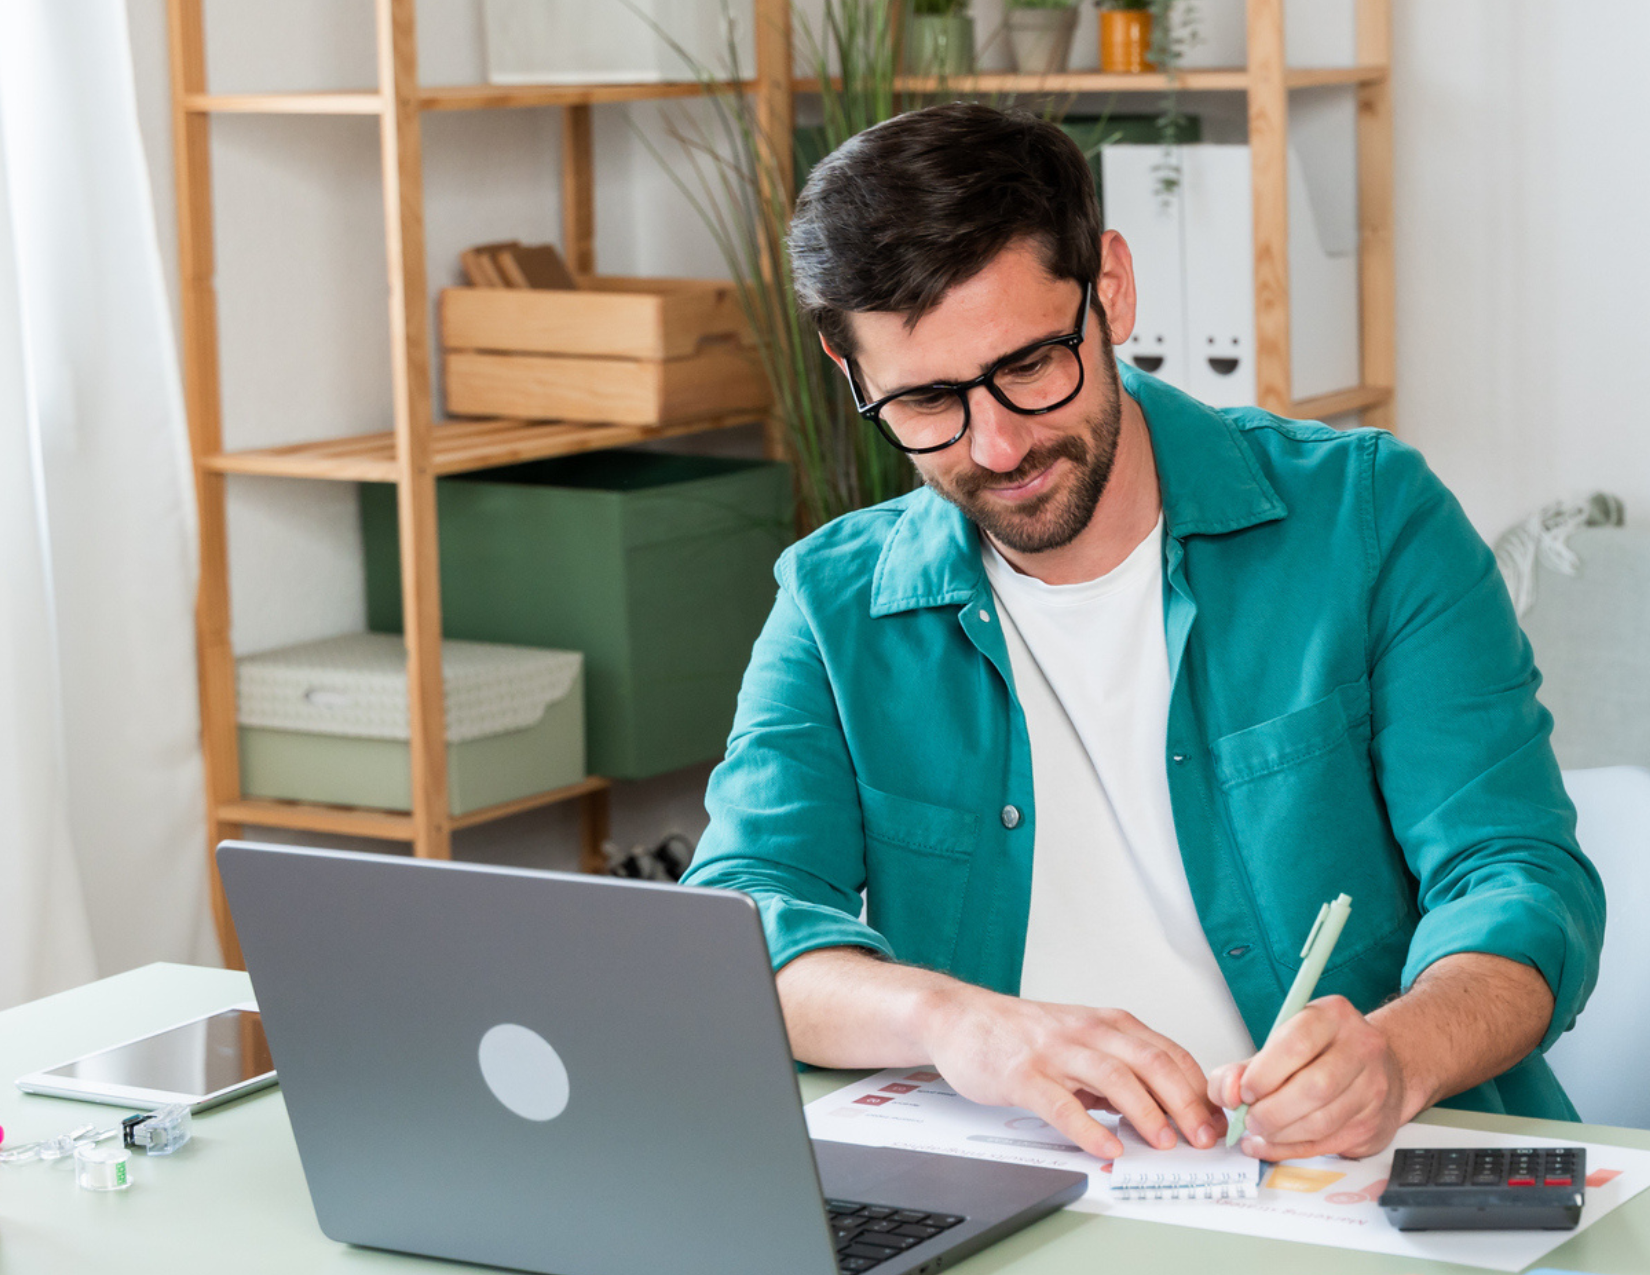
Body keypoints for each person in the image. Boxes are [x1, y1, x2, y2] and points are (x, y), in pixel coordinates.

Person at [681, 103, 1604, 1164]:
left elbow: (1520, 878)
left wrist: (1400, 1054)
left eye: (1030, 364)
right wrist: (953, 1021)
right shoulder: (833, 604)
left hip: (1349, 1187)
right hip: (1031, 1195)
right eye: (928, 400)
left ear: (1108, 288)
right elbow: (744, 924)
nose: (996, 442)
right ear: (855, 378)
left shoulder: (1368, 519)